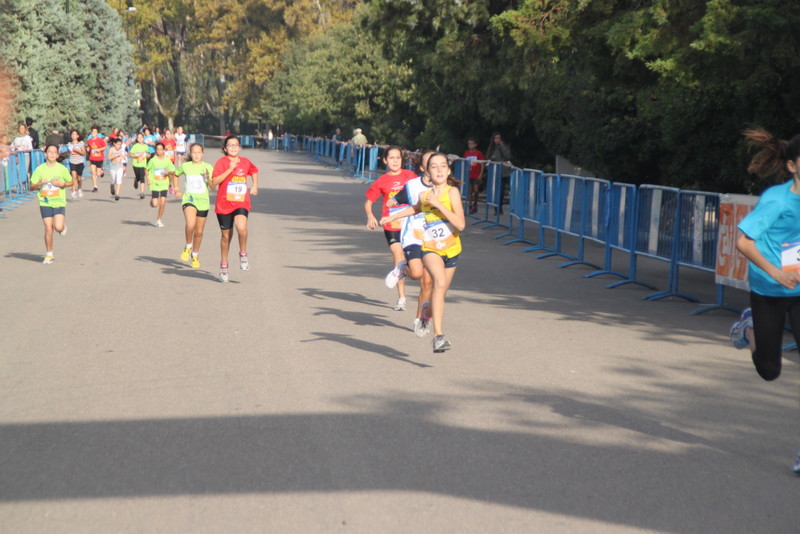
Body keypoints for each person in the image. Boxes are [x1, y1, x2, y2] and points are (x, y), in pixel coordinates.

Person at [729, 127, 800, 475]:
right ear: (792, 166)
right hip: (771, 287)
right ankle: (749, 329)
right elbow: (744, 242)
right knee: (769, 371)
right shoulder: (778, 201)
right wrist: (776, 272)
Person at [380, 152, 465, 352]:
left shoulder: (452, 192)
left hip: (452, 249)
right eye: (434, 166)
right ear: (427, 172)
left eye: (443, 166)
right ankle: (438, 337)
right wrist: (392, 217)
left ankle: (426, 312)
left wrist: (438, 204)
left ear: (449, 170)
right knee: (439, 283)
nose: (439, 170)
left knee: (439, 295)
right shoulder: (424, 195)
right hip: (430, 249)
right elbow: (415, 209)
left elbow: (460, 225)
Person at [386, 149, 436, 336]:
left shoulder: (446, 187)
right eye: (429, 163)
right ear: (423, 168)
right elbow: (399, 198)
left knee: (428, 281)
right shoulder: (413, 185)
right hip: (414, 236)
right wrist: (392, 202)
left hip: (434, 239)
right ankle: (402, 267)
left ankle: (419, 319)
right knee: (416, 273)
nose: (434, 166)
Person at [364, 146, 418, 310]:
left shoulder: (410, 176)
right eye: (391, 158)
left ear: (402, 160)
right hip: (391, 223)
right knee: (398, 255)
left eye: (398, 158)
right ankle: (401, 297)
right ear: (385, 160)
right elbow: (368, 202)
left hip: (411, 222)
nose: (395, 161)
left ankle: (403, 271)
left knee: (414, 265)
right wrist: (370, 216)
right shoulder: (381, 181)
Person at [210, 135, 259, 283]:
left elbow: (254, 170)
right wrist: (230, 169)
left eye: (236, 145)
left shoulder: (245, 162)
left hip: (241, 202)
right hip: (224, 204)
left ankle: (243, 254)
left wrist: (255, 185)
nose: (233, 147)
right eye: (230, 145)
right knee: (226, 237)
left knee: (241, 227)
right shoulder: (221, 162)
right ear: (225, 148)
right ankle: (224, 265)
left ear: (240, 147)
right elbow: (214, 182)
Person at [29, 144, 73, 264]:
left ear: (57, 155)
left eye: (54, 152)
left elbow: (71, 182)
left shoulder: (62, 169)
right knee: (48, 228)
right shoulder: (40, 169)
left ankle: (62, 227)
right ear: (45, 154)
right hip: (45, 202)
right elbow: (31, 187)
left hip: (58, 201)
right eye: (50, 151)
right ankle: (49, 254)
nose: (52, 154)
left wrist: (62, 184)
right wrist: (39, 183)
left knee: (58, 227)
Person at [173, 143, 213, 269]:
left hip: (203, 202)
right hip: (189, 199)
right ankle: (188, 246)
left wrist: (208, 177)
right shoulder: (186, 166)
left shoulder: (208, 167)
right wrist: (176, 189)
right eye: (194, 152)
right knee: (190, 224)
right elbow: (176, 174)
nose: (196, 155)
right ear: (191, 154)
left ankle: (195, 255)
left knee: (199, 232)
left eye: (199, 152)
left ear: (202, 154)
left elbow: (213, 187)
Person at [145, 142, 176, 227]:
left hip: (164, 184)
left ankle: (158, 220)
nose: (159, 151)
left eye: (161, 149)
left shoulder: (167, 160)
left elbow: (173, 171)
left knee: (163, 202)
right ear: (156, 150)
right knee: (155, 204)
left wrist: (168, 172)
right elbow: (146, 169)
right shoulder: (152, 160)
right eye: (157, 149)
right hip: (155, 184)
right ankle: (152, 201)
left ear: (164, 150)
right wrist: (148, 179)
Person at [485, 132, 512, 215]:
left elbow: (508, 156)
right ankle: (496, 207)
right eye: (495, 138)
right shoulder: (491, 148)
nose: (497, 140)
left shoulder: (504, 147)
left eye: (499, 138)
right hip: (494, 172)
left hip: (502, 172)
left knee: (501, 191)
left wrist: (502, 145)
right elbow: (488, 157)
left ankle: (499, 206)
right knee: (495, 190)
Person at [463, 137, 486, 214]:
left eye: (472, 144)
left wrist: (481, 174)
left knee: (476, 190)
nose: (470, 145)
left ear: (475, 144)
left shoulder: (478, 153)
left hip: (476, 174)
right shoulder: (466, 153)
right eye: (469, 144)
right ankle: (470, 206)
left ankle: (475, 203)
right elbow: (464, 162)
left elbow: (482, 163)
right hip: (469, 174)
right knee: (469, 191)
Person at [66, 130, 86, 200]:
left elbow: (84, 153)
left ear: (78, 136)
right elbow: (69, 152)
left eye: (75, 134)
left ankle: (79, 188)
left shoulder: (81, 143)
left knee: (79, 178)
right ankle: (73, 192)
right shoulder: (69, 144)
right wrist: (69, 153)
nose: (73, 135)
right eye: (72, 134)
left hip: (80, 162)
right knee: (74, 177)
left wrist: (78, 150)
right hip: (72, 162)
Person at [86, 125, 106, 193]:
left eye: (95, 132)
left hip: (99, 158)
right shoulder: (89, 140)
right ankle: (95, 187)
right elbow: (89, 147)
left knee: (98, 173)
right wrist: (88, 149)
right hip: (92, 158)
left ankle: (101, 171)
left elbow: (105, 146)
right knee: (93, 172)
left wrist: (99, 149)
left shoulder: (100, 140)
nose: (94, 133)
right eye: (93, 131)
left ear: (97, 133)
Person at [129, 132, 149, 199]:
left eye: (141, 137)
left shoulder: (146, 146)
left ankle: (142, 193)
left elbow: (149, 155)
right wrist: (136, 155)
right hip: (136, 164)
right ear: (137, 139)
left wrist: (146, 155)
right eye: (138, 138)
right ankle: (136, 180)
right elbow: (130, 154)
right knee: (138, 177)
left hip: (143, 165)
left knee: (142, 178)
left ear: (143, 138)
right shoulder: (135, 146)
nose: (140, 139)